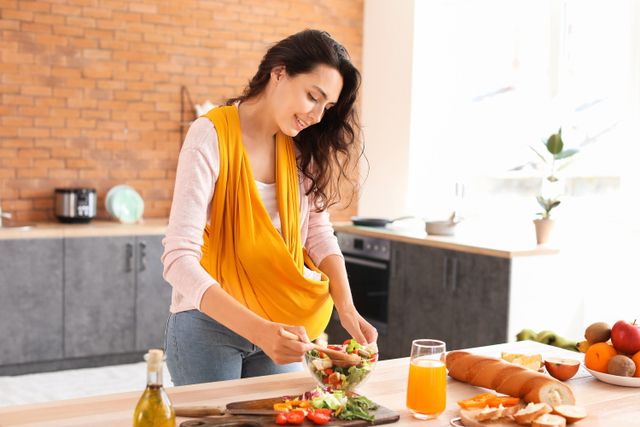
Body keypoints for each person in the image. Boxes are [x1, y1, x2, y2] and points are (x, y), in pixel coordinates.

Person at [162, 29, 377, 386]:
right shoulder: (209, 136)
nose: (317, 115)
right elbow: (178, 259)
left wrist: (347, 306)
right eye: (313, 96)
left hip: (282, 324)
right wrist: (260, 331)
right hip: (210, 326)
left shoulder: (300, 148)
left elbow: (319, 234)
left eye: (326, 107)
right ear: (279, 73)